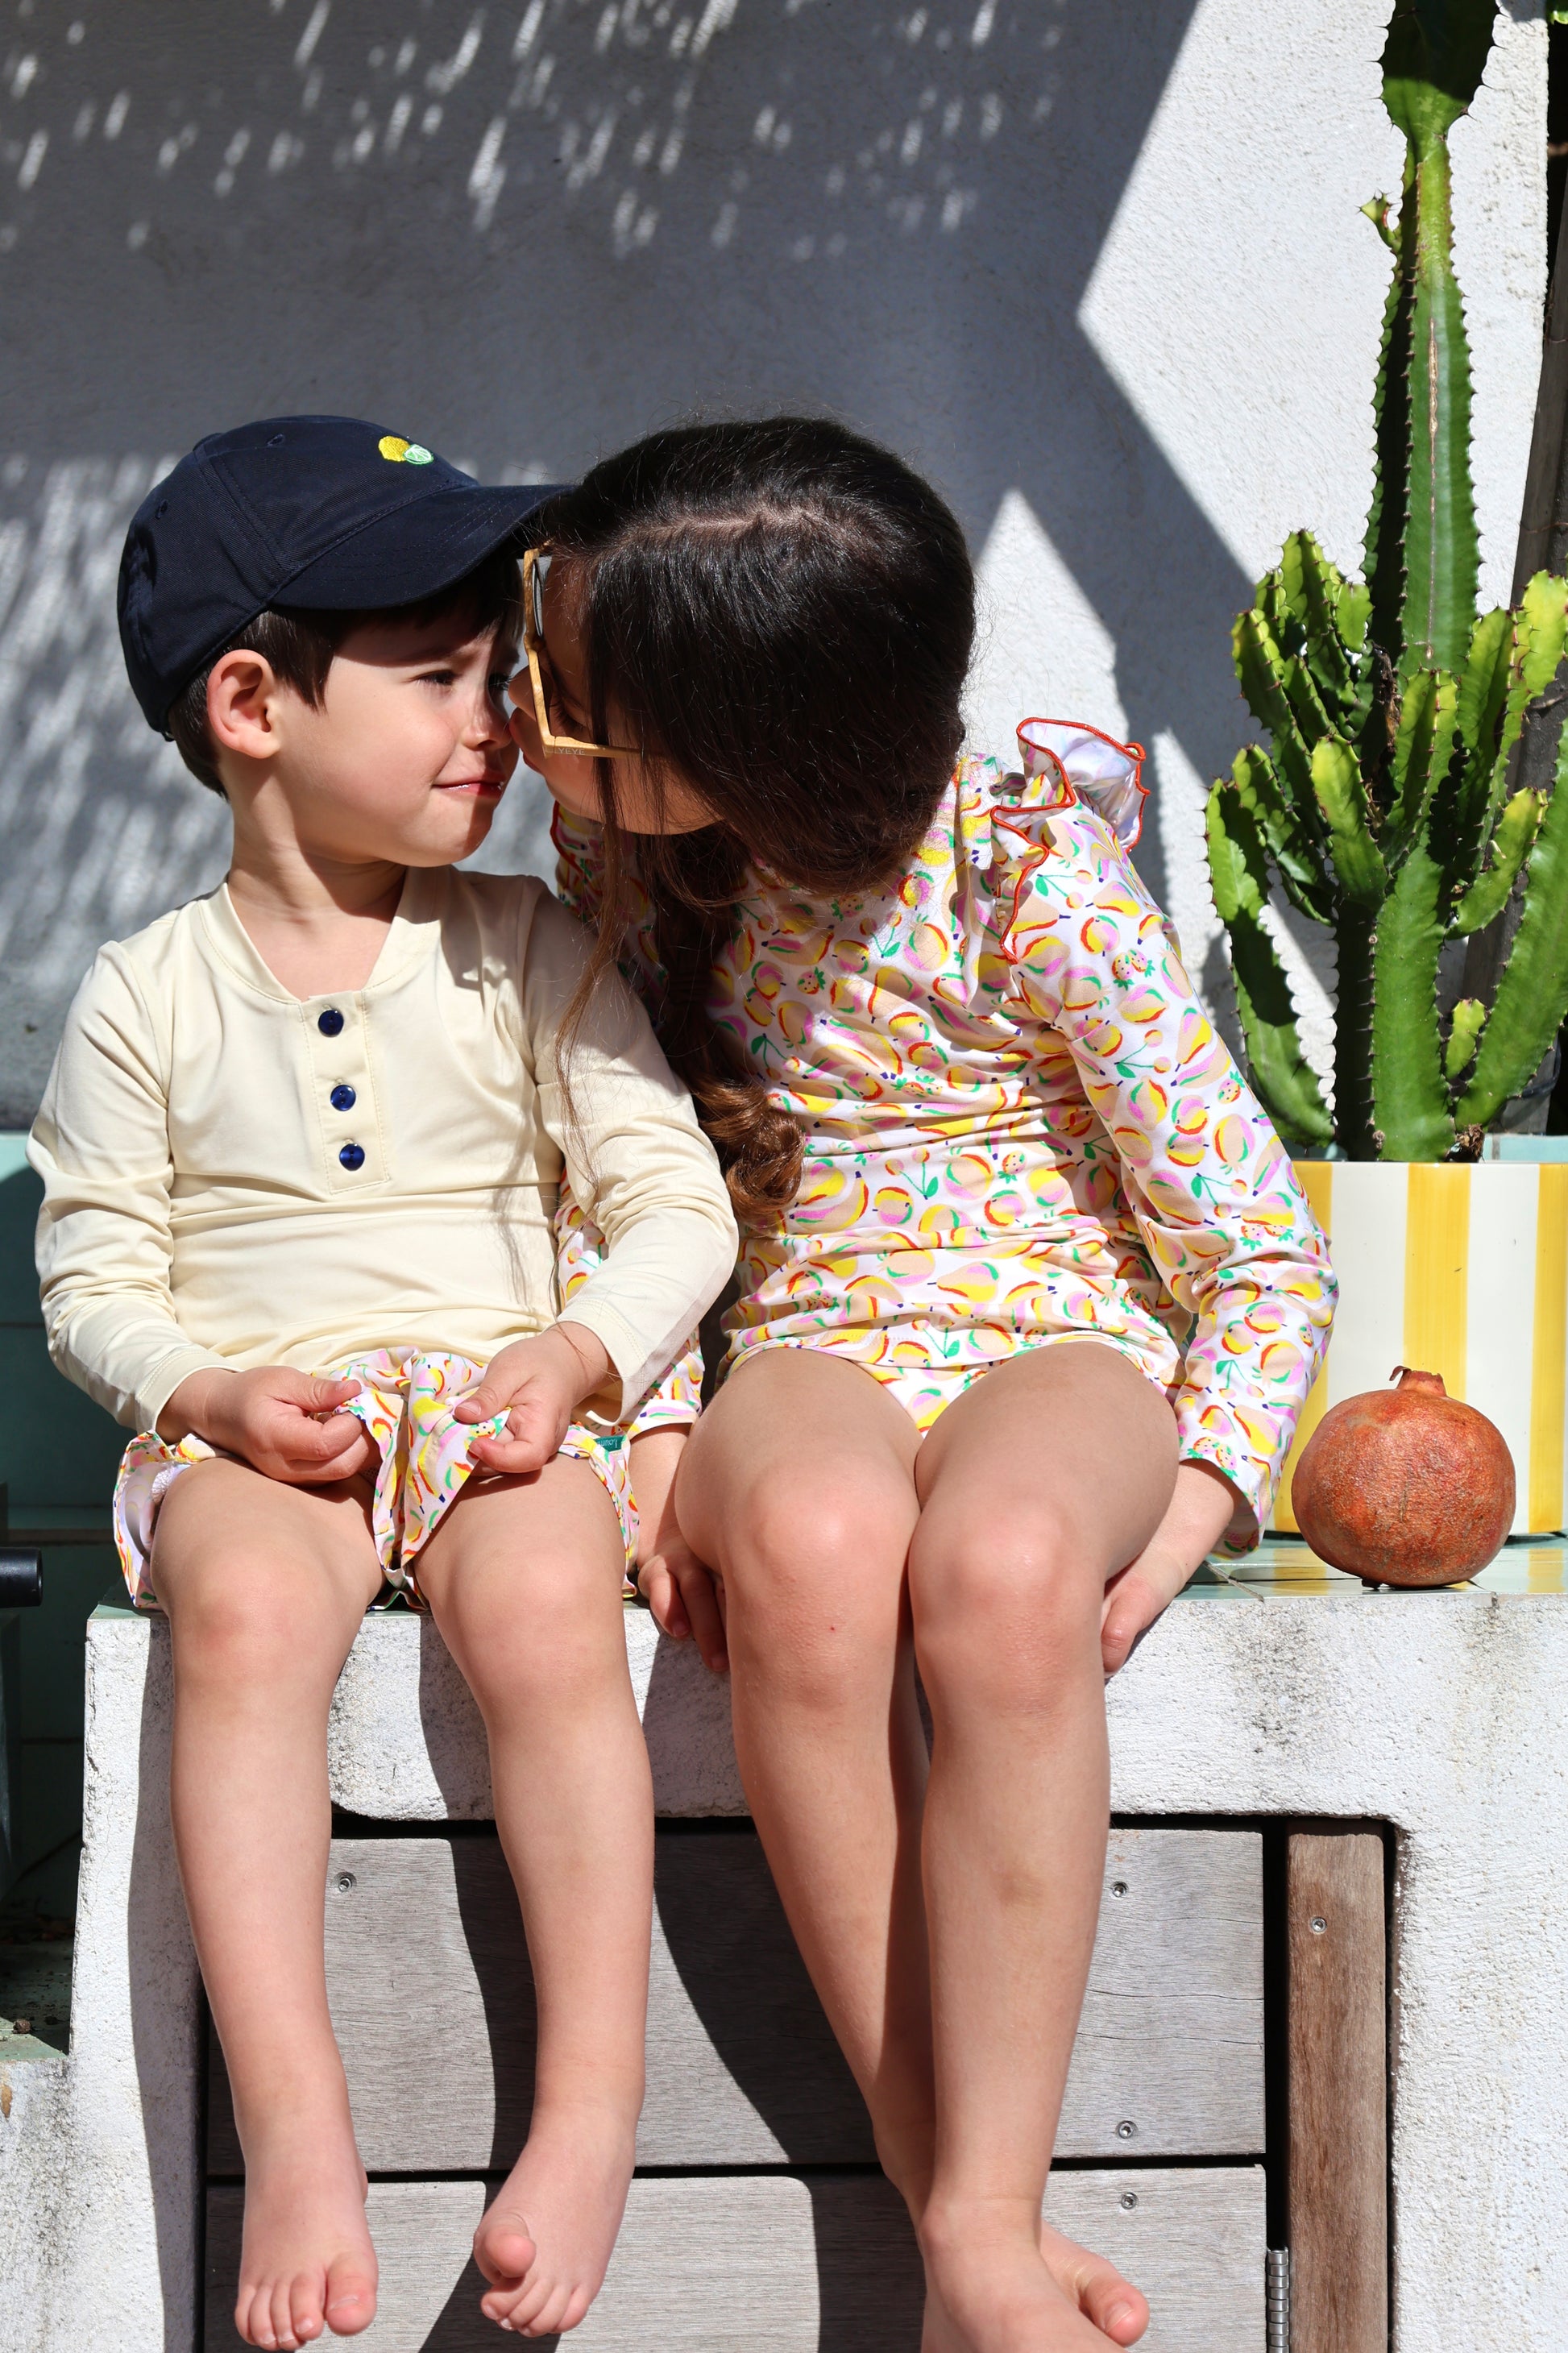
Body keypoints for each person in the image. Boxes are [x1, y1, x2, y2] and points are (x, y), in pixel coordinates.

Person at [510, 419, 1337, 2353]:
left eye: (564, 689)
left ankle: (981, 2203)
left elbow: (1254, 1240)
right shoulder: (621, 862)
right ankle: (961, 2218)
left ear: (741, 730)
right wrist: (648, 1427)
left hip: (1062, 1330)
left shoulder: (1029, 868)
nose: (520, 707)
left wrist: (1209, 1491)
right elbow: (587, 1173)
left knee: (1008, 1568)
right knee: (805, 1540)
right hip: (804, 1335)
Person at [28, 419, 737, 2352]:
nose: (493, 726)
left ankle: (590, 2101)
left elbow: (674, 1202)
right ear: (251, 700)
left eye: (494, 679)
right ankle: (300, 2117)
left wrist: (584, 1351)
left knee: (539, 1610)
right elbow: (93, 1268)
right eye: (438, 679)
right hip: (272, 1419)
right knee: (247, 1605)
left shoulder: (532, 950)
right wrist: (204, 1397)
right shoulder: (146, 992)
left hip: (508, 1406)